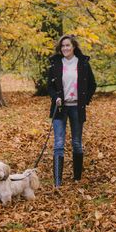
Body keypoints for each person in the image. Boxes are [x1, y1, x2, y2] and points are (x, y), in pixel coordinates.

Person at [47, 34, 97, 187]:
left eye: (68, 45)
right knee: (58, 144)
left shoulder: (83, 64)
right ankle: (57, 182)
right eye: (62, 46)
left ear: (74, 46)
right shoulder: (55, 64)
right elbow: (49, 86)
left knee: (76, 143)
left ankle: (77, 178)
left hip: (77, 107)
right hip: (60, 107)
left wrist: (84, 100)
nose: (65, 48)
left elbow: (92, 85)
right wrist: (56, 96)